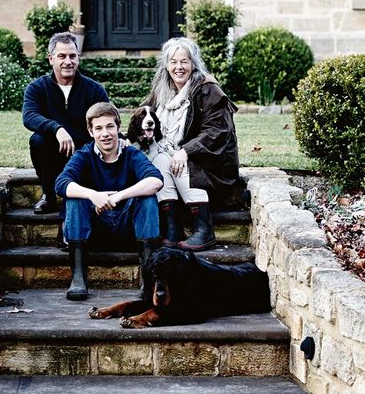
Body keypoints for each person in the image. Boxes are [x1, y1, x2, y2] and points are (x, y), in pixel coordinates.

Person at [55, 102, 163, 301]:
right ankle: (78, 277)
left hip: (128, 229)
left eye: (110, 127)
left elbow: (156, 180)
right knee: (75, 200)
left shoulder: (131, 154)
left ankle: (149, 279)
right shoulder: (84, 155)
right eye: (99, 128)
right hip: (94, 230)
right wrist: (93, 195)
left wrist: (118, 196)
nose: (105, 133)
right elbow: (61, 183)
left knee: (147, 198)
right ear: (90, 131)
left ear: (118, 128)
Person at [143, 36, 240, 251]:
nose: (179, 67)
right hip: (176, 158)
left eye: (184, 61)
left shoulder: (208, 90)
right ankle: (171, 228)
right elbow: (144, 117)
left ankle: (204, 230)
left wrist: (185, 150)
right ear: (166, 65)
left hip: (211, 163)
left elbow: (217, 132)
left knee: (176, 161)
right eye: (173, 62)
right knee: (158, 160)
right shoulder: (162, 90)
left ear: (193, 63)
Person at [22, 32, 108, 215]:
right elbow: (29, 116)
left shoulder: (94, 90)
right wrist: (57, 128)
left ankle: (84, 196)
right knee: (37, 140)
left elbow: (106, 119)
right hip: (53, 151)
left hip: (84, 153)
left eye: (72, 56)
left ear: (78, 58)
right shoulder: (37, 88)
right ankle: (49, 196)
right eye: (62, 56)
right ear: (50, 59)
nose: (68, 61)